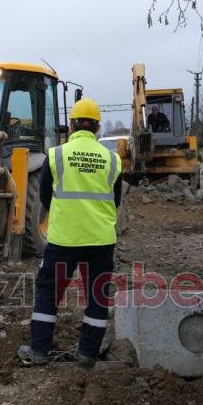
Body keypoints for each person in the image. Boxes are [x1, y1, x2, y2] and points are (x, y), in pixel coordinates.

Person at [18, 98, 123, 368]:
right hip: (100, 241)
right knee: (97, 297)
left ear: (73, 125)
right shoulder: (112, 159)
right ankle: (87, 354)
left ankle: (39, 351)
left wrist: (67, 215)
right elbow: (116, 200)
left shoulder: (56, 155)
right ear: (98, 127)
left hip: (64, 240)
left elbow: (43, 196)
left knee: (48, 293)